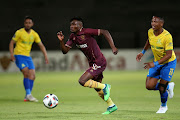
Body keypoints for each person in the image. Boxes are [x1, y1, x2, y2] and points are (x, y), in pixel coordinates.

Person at [57, 17, 118, 114]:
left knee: (82, 81)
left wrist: (113, 46)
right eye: (71, 25)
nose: (72, 26)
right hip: (93, 63)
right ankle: (112, 105)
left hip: (99, 61)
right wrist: (61, 41)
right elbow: (65, 51)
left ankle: (105, 86)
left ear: (80, 26)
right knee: (97, 87)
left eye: (74, 24)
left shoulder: (87, 32)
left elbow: (104, 32)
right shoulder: (73, 37)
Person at [136, 16, 176, 113]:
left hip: (168, 63)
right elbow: (149, 41)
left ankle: (163, 106)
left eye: (156, 22)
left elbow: (169, 55)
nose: (153, 23)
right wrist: (143, 52)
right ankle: (168, 86)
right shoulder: (150, 31)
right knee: (149, 86)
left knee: (161, 87)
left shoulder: (167, 36)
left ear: (161, 24)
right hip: (157, 62)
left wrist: (155, 63)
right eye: (152, 21)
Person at [9, 16, 49, 102]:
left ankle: (27, 95)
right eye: (26, 23)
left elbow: (41, 45)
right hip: (19, 55)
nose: (28, 24)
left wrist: (45, 56)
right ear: (24, 24)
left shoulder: (34, 34)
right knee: (26, 72)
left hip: (27, 57)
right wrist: (12, 54)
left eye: (29, 23)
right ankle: (28, 94)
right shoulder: (19, 32)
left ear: (32, 24)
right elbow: (12, 43)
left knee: (33, 76)